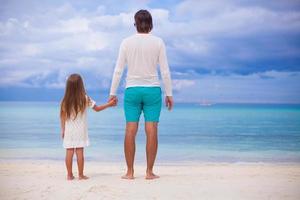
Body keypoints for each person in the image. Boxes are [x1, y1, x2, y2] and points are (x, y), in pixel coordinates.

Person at [109, 10, 173, 180]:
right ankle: (149, 172)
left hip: (132, 90)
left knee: (131, 128)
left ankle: (129, 172)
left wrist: (112, 93)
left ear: (135, 24)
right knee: (151, 129)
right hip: (152, 90)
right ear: (151, 24)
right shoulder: (158, 42)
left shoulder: (126, 42)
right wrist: (169, 93)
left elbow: (118, 70)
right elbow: (165, 71)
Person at [60, 73, 116, 180]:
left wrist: (63, 130)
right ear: (81, 85)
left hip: (69, 131)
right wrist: (109, 104)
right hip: (80, 131)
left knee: (69, 151)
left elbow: (62, 117)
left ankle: (69, 175)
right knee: (80, 151)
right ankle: (81, 175)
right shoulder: (85, 99)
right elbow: (98, 108)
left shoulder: (65, 101)